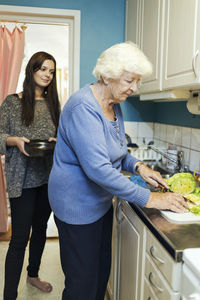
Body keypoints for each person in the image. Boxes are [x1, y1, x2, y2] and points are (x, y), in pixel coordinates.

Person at [48, 42, 188, 300]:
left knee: (100, 274)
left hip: (100, 204)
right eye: (129, 81)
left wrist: (140, 167)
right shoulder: (83, 107)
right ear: (106, 75)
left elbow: (118, 151)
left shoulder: (114, 105)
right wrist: (152, 198)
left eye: (137, 82)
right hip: (76, 206)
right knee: (81, 286)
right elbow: (99, 169)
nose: (134, 88)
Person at [0, 51, 60, 300]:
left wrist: (58, 141)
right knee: (19, 238)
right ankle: (9, 294)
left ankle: (33, 274)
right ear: (32, 70)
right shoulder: (12, 102)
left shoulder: (54, 104)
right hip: (21, 180)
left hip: (48, 178)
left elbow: (63, 138)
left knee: (41, 229)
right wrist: (15, 141)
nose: (47, 75)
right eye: (43, 69)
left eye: (51, 71)